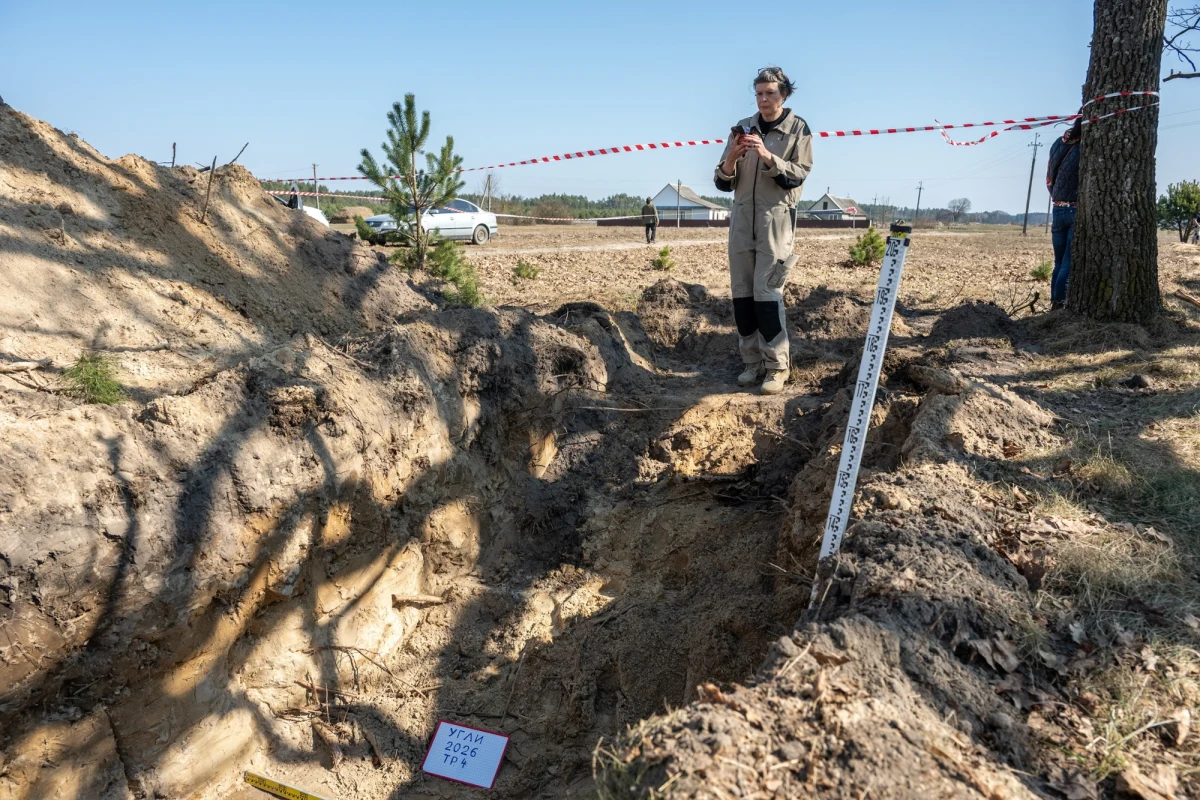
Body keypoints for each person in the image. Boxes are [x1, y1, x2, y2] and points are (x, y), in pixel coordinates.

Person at [714, 67, 813, 395]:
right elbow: (722, 181)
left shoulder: (797, 129)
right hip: (741, 220)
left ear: (784, 94)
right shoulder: (742, 129)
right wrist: (732, 157)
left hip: (776, 220)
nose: (764, 99)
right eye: (759, 93)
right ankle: (752, 362)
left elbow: (798, 175)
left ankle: (776, 367)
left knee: (767, 295)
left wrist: (767, 155)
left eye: (770, 93)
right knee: (742, 295)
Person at [1046, 118, 1081, 309]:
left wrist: (1057, 198)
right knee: (1068, 262)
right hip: (1076, 209)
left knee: (1058, 262)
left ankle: (1054, 301)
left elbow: (1049, 178)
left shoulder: (1058, 143)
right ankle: (1060, 303)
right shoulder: (1086, 145)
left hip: (1057, 209)